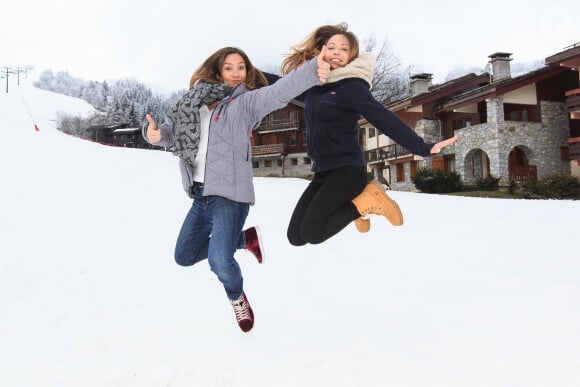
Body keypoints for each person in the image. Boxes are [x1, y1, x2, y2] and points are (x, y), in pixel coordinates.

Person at [143, 46, 330, 332]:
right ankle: (244, 240)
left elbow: (280, 91)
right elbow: (169, 133)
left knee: (220, 260)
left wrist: (313, 68)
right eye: (229, 67)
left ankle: (237, 298)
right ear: (217, 71)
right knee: (184, 255)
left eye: (241, 67)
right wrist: (153, 135)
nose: (235, 73)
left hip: (230, 197)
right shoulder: (191, 103)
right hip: (199, 195)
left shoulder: (245, 104)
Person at [282, 23, 458, 246]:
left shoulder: (352, 87)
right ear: (322, 51)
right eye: (331, 47)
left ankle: (364, 202)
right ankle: (357, 204)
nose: (337, 52)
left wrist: (422, 146)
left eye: (344, 49)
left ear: (352, 56)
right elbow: (280, 87)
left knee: (312, 234)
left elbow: (383, 118)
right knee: (295, 237)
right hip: (323, 172)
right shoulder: (316, 89)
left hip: (346, 171)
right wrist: (247, 75)